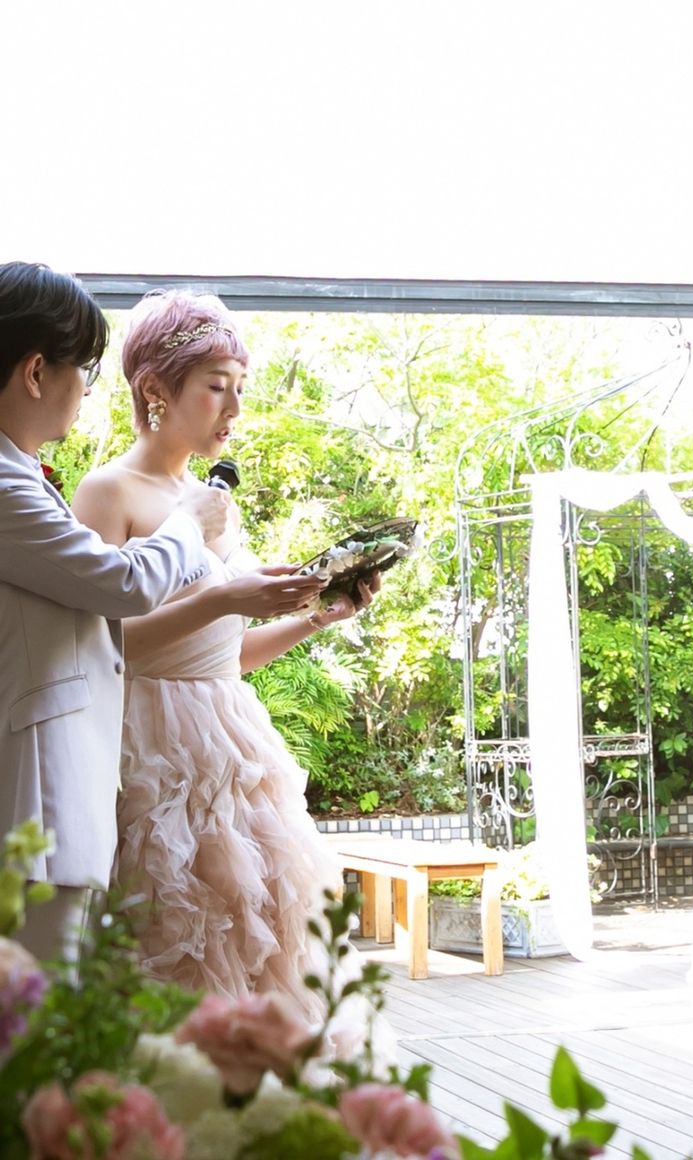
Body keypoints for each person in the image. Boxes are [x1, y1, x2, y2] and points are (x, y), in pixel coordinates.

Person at [71, 290, 374, 1029]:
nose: (234, 407)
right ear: (155, 390)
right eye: (216, 386)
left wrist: (317, 615)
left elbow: (225, 656)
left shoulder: (211, 502)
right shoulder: (108, 490)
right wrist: (226, 597)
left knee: (258, 941)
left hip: (229, 739)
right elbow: (97, 648)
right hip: (145, 747)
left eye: (240, 387)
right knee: (169, 941)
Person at [0, 261, 231, 964]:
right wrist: (189, 524)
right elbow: (120, 584)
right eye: (85, 370)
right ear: (35, 372)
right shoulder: (6, 486)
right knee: (35, 1011)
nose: (85, 390)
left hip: (56, 807)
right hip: (37, 804)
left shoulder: (20, 474)